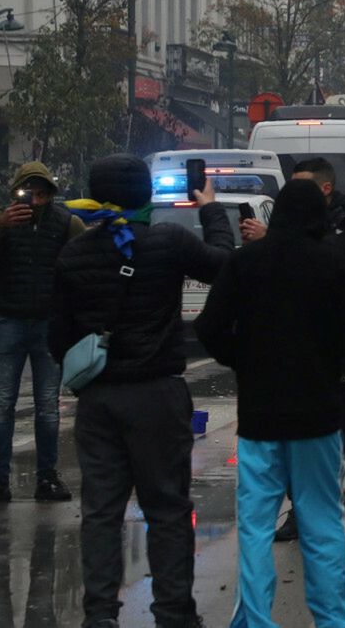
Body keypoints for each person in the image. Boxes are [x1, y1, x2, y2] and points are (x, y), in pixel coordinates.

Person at [49, 154, 233, 628]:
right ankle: (173, 613)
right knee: (168, 509)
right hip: (158, 395)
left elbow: (58, 339)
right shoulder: (169, 242)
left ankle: (100, 616)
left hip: (99, 400)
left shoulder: (74, 255)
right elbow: (224, 266)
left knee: (101, 512)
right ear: (146, 194)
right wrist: (210, 209)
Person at [195, 179, 345, 628]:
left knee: (255, 525)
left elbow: (209, 327)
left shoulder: (246, 261)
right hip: (317, 417)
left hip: (260, 418)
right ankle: (335, 621)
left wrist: (244, 360)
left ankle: (254, 620)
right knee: (322, 522)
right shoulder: (332, 263)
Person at [253, 158, 345, 539]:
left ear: (325, 189)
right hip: (298, 339)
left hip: (341, 342)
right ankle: (300, 509)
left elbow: (331, 254)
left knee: (342, 425)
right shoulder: (288, 225)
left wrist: (275, 240)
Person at [0, 163, 86, 503]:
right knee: (3, 404)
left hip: (49, 326)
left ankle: (47, 477)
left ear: (50, 194)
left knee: (48, 407)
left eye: (40, 193)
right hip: (9, 321)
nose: (34, 200)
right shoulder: (5, 223)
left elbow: (82, 268)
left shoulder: (67, 224)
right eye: (27, 193)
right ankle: (1, 480)